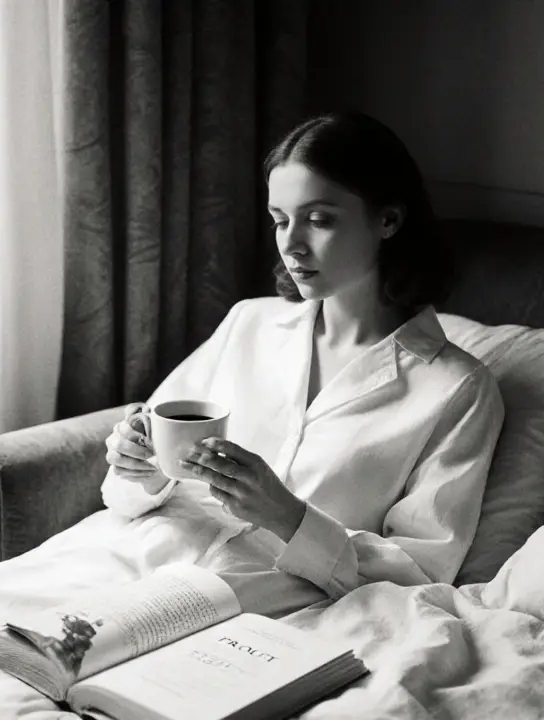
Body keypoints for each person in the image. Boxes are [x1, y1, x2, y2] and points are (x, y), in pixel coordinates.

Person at [101, 111, 505, 601]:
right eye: (280, 220)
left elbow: (420, 570)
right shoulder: (249, 323)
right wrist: (139, 465)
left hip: (267, 609)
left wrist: (287, 516)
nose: (290, 245)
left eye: (319, 220)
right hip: (131, 563)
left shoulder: (455, 390)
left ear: (388, 220)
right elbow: (127, 490)